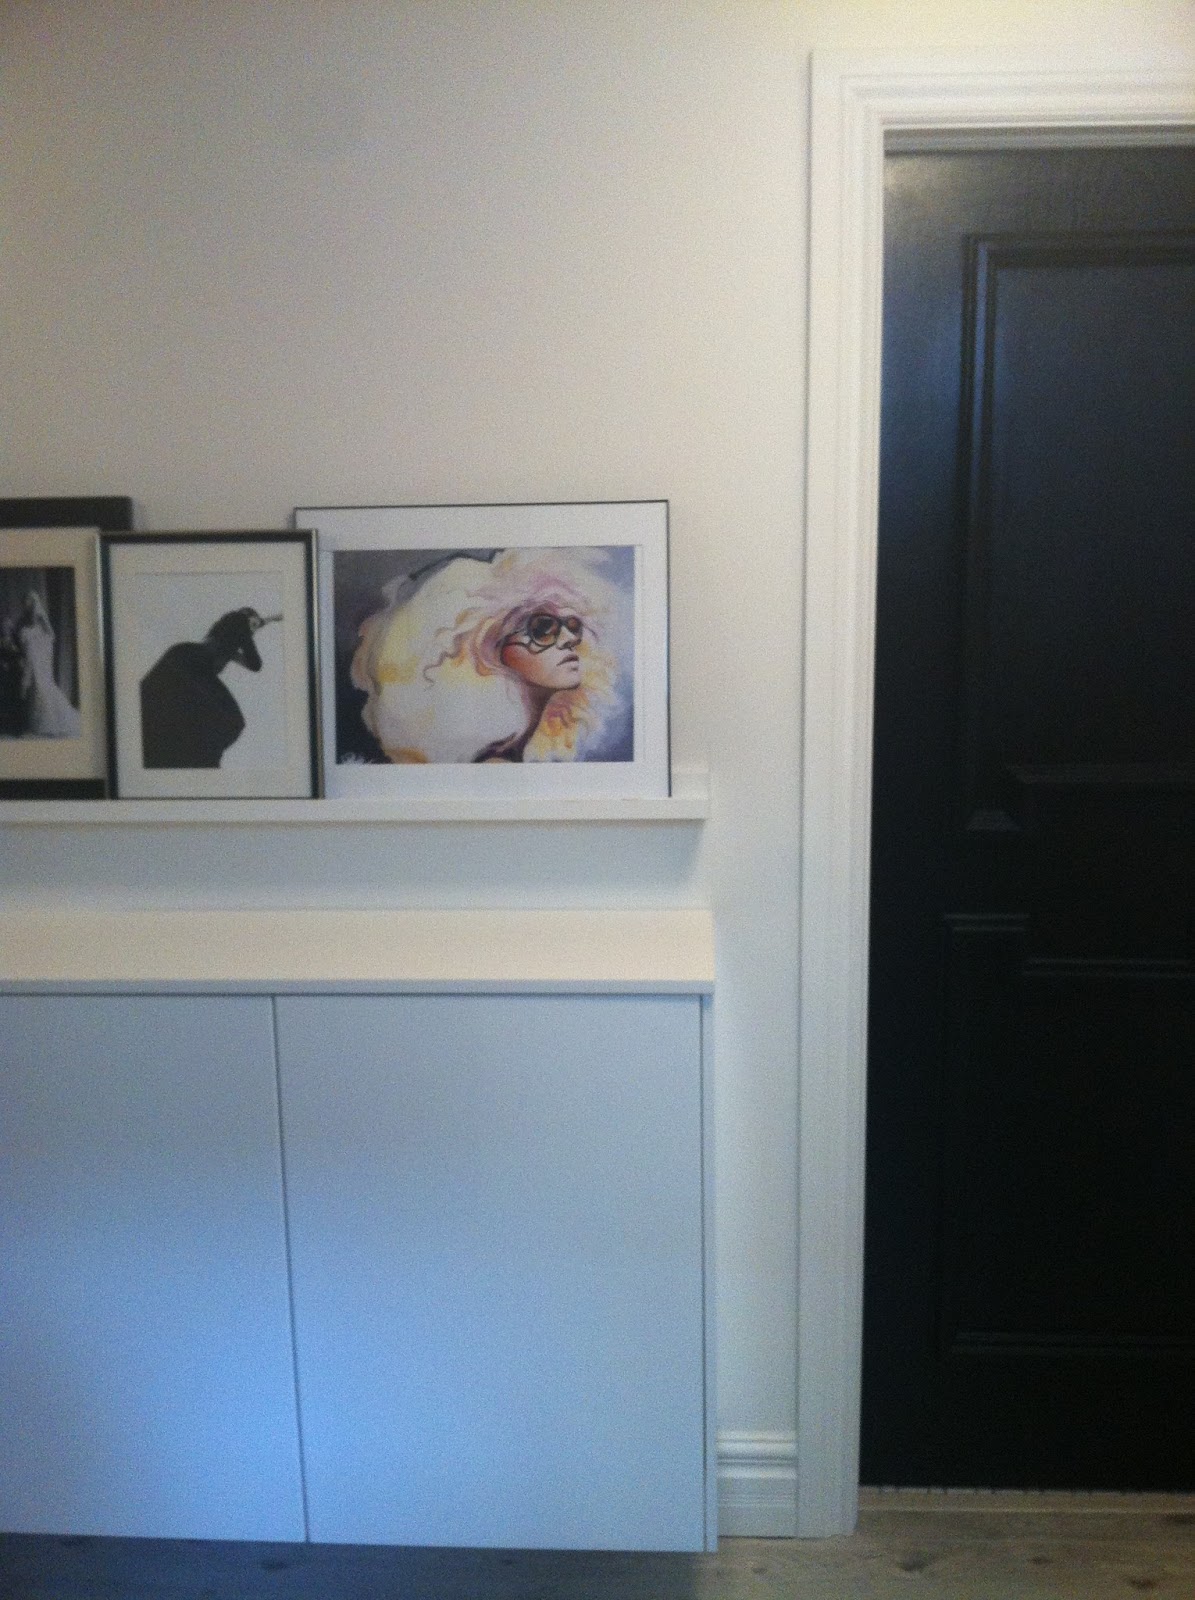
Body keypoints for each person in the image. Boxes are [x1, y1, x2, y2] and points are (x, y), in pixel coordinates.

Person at [347, 546, 631, 764]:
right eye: (543, 627)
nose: (570, 639)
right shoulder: (494, 762)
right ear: (491, 646)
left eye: (573, 626)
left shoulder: (515, 752)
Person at [139, 607, 280, 768]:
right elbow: (256, 664)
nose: (253, 631)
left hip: (184, 658)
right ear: (248, 618)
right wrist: (257, 625)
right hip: (195, 664)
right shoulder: (239, 620)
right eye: (253, 625)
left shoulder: (227, 634)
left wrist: (268, 620)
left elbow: (249, 658)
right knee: (232, 722)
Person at [16, 590, 81, 739]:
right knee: (35, 689)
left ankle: (48, 722)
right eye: (26, 603)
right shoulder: (23, 628)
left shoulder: (42, 626)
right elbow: (24, 647)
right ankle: (35, 722)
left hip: (40, 662)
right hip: (30, 661)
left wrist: (40, 658)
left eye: (30, 603)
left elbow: (51, 637)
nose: (27, 606)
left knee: (43, 686)